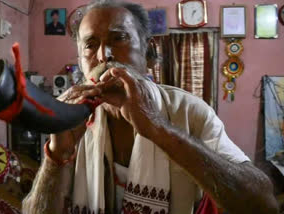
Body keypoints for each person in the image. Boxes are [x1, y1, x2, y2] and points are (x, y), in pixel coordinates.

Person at [23, 0, 279, 213]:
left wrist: (159, 128)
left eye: (119, 38)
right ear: (81, 60)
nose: (103, 55)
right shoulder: (71, 119)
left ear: (149, 52)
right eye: (90, 45)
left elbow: (263, 205)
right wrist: (57, 156)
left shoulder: (189, 111)